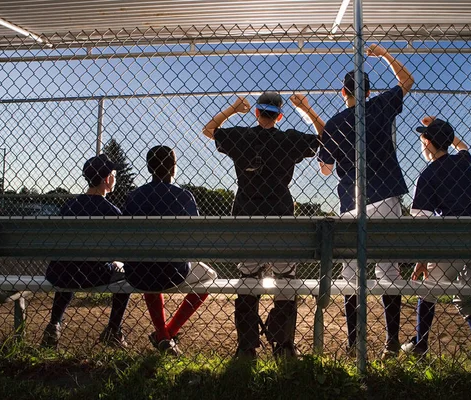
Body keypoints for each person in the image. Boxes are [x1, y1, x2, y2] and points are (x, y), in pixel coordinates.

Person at [202, 91, 325, 358]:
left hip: (246, 216)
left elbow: (209, 129)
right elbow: (326, 137)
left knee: (247, 281)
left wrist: (234, 109)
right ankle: (282, 343)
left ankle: (247, 347)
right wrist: (306, 108)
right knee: (286, 281)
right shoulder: (288, 140)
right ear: (279, 115)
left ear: (256, 112)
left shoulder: (240, 137)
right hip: (281, 216)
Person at [318, 44, 415, 359]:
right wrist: (385, 54)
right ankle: (389, 343)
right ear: (369, 91)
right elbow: (407, 81)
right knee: (388, 270)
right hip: (385, 194)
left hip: (351, 201)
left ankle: (354, 342)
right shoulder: (379, 106)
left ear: (341, 92)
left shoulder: (334, 123)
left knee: (352, 274)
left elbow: (325, 168)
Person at [401, 116, 471, 358]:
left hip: (452, 244)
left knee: (428, 291)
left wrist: (421, 258)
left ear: (429, 143)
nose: (422, 144)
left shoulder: (427, 175)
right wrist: (444, 130)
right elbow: (462, 146)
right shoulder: (464, 162)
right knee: (465, 299)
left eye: (424, 139)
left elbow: (419, 226)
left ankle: (421, 344)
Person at [124, 145, 217, 355]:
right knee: (210, 276)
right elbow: (195, 236)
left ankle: (163, 335)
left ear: (148, 168)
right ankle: (167, 333)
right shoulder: (184, 196)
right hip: (172, 272)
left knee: (147, 262)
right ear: (174, 168)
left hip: (137, 272)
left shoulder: (134, 196)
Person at [41, 154, 130, 349]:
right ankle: (113, 329)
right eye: (114, 175)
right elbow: (120, 248)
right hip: (92, 274)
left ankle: (54, 324)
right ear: (107, 179)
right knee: (128, 276)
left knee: (70, 262)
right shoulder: (112, 211)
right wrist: (115, 262)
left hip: (60, 273)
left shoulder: (69, 206)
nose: (115, 178)